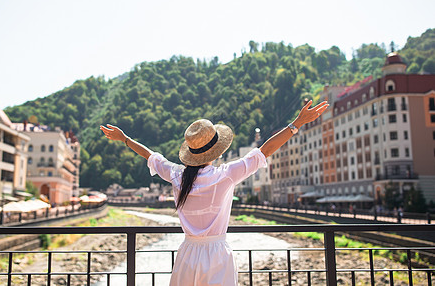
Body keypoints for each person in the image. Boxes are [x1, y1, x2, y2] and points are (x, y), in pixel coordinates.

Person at [100, 99, 328, 286]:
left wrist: (125, 139)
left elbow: (151, 156)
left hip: (187, 253)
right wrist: (296, 123)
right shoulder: (225, 175)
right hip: (217, 255)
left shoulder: (178, 175)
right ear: (216, 151)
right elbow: (264, 151)